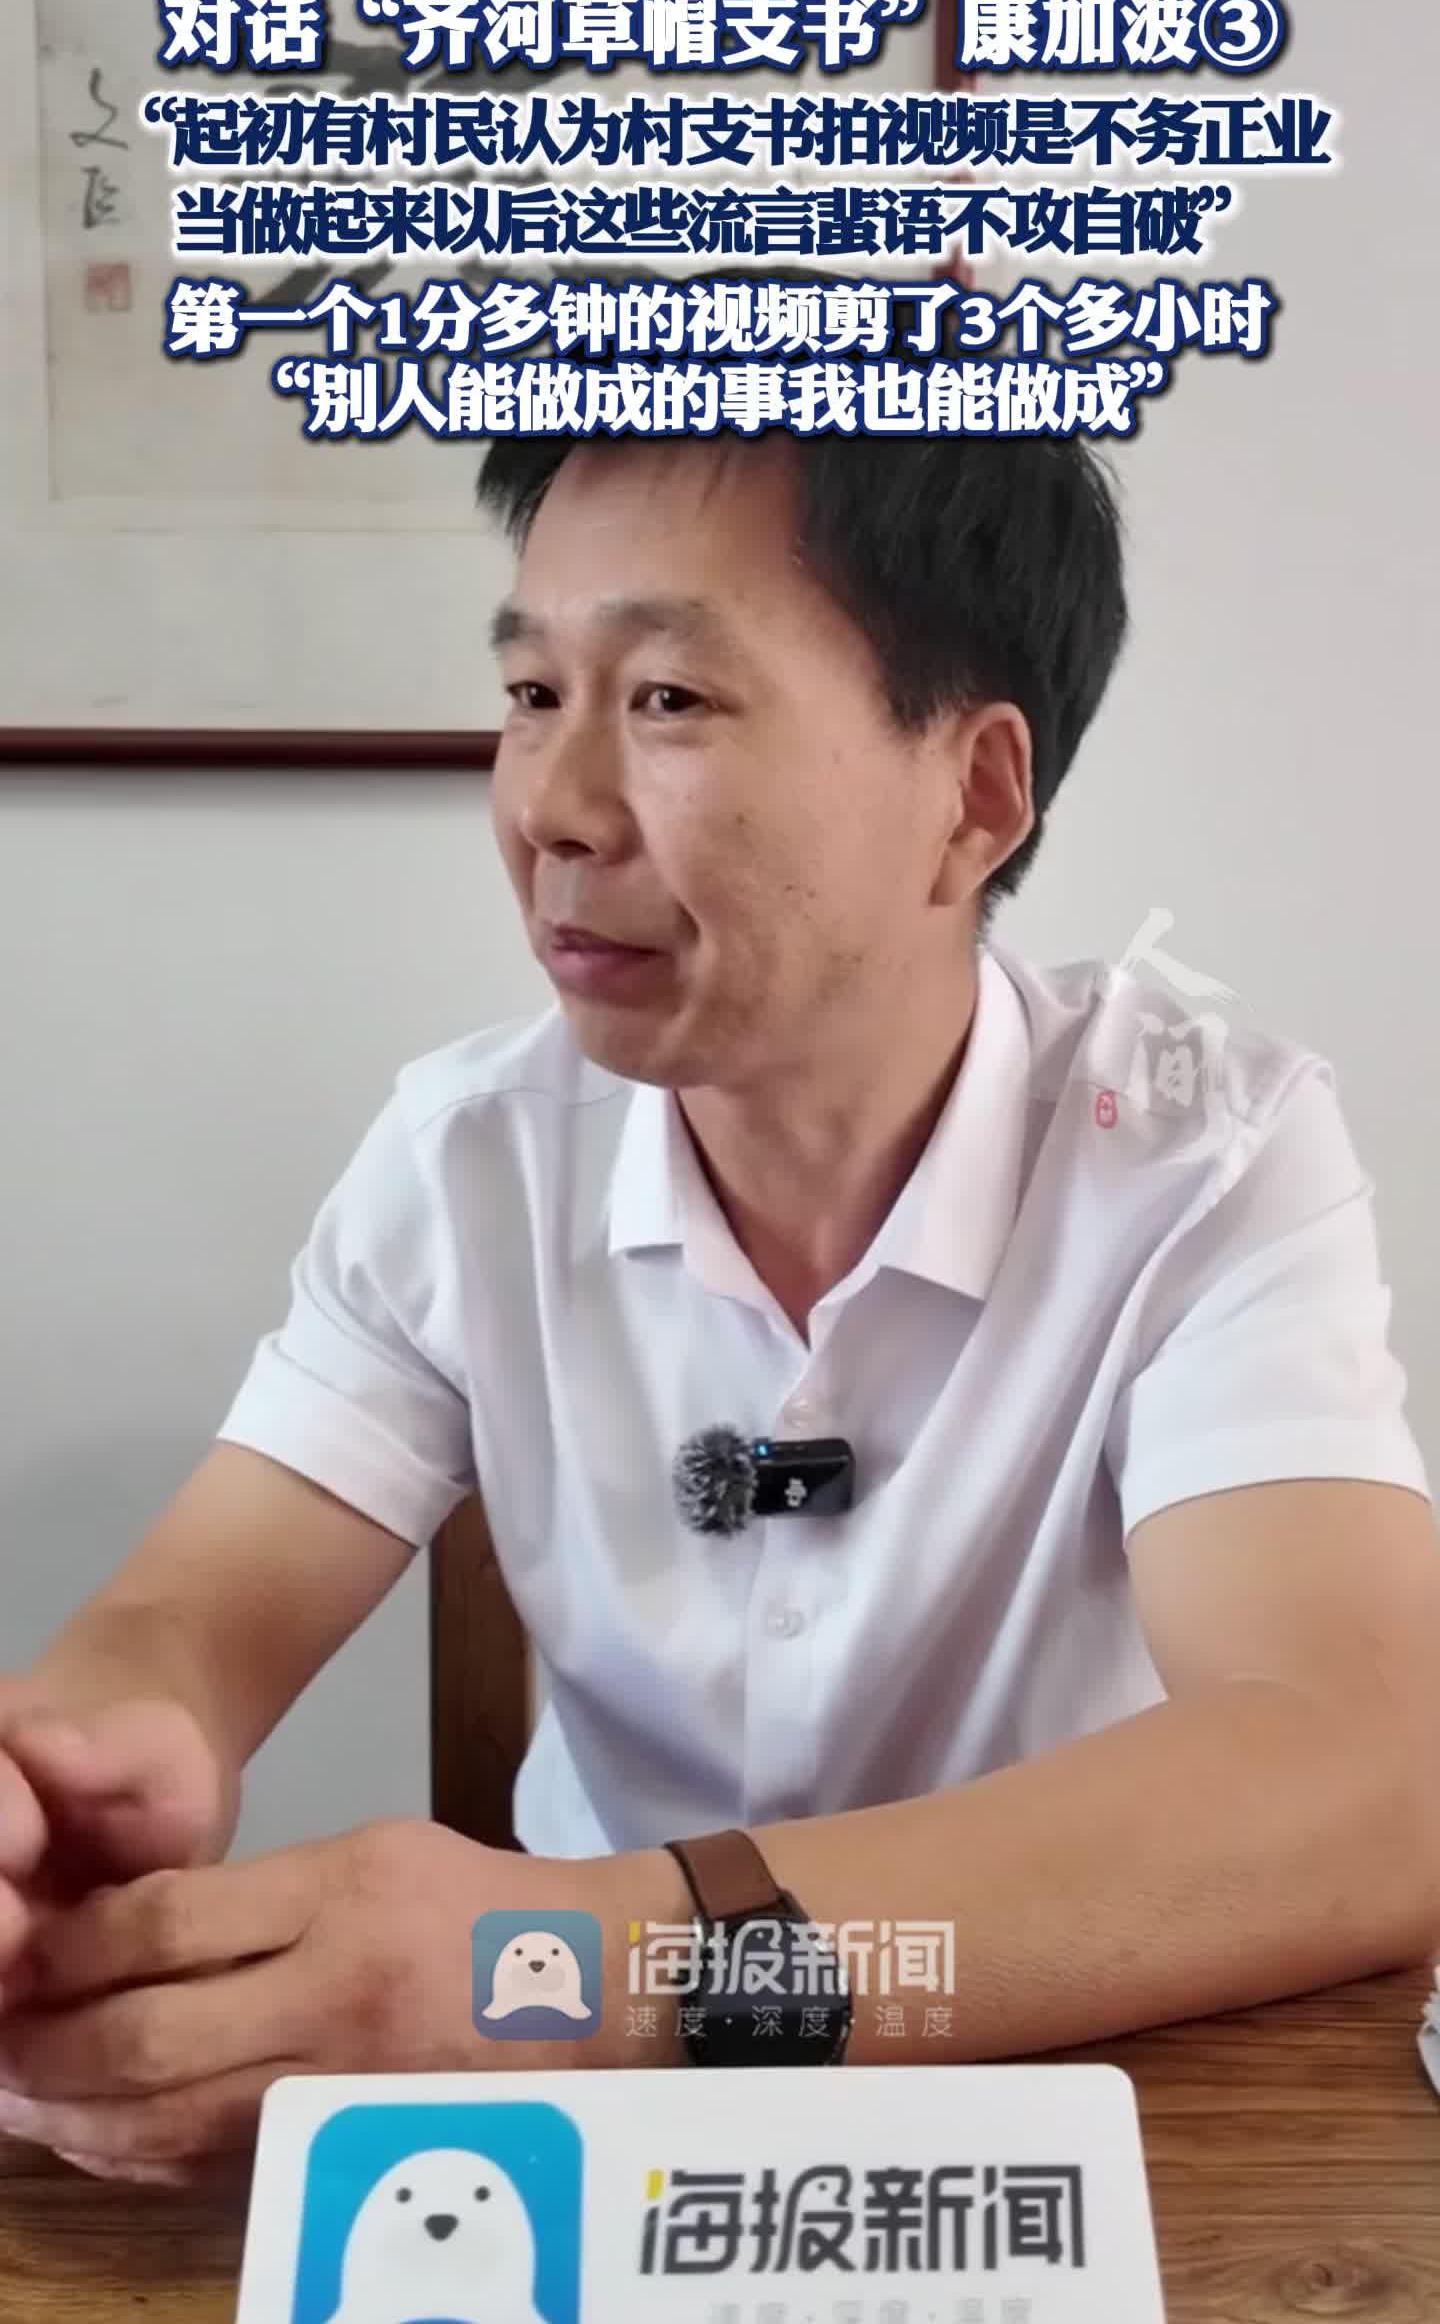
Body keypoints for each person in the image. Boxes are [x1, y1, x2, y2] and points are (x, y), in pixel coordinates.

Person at [2, 419, 1437, 2188]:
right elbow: (193, 1615)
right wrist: (85, 1757)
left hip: (1078, 2093)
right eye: (533, 694)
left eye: (668, 699)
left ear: (975, 796)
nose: (552, 808)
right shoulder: (469, 1158)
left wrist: (580, 1974)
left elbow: (1367, 1778)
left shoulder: (1201, 1156)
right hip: (584, 2142)